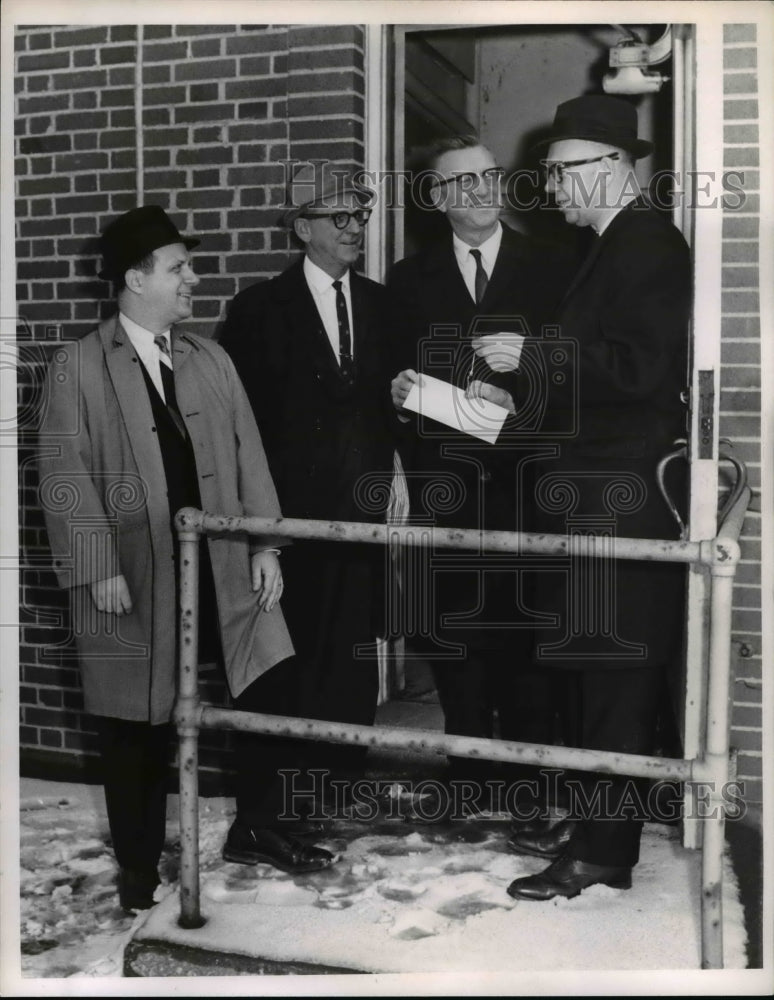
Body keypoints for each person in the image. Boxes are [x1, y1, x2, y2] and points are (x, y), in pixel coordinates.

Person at [38, 206, 335, 913]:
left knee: (268, 683)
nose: (192, 280)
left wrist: (265, 542)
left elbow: (248, 455)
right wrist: (97, 565)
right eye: (178, 268)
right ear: (136, 280)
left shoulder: (209, 358)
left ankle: (259, 828)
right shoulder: (77, 364)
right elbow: (62, 470)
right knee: (132, 725)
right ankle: (139, 872)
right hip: (128, 576)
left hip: (221, 564)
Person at [506, 95, 692, 900]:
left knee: (612, 676)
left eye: (561, 172)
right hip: (595, 496)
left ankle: (604, 853)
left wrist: (535, 354)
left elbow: (641, 374)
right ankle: (595, 824)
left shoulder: (647, 241)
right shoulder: (614, 246)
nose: (551, 188)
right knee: (589, 670)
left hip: (616, 501)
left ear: (613, 167)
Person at [388, 135, 570, 815]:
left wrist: (521, 401)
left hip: (531, 495)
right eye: (462, 182)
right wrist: (404, 394)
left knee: (529, 649)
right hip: (451, 497)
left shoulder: (556, 266)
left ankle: (527, 793)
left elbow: (579, 381)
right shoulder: (407, 282)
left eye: (490, 175)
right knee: (456, 644)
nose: (483, 189)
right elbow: (401, 390)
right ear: (436, 198)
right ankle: (465, 788)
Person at [219, 164, 396, 809]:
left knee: (352, 652)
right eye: (339, 218)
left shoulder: (383, 304)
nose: (355, 229)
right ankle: (282, 802)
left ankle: (343, 786)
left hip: (362, 517)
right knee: (287, 658)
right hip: (287, 522)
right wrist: (257, 525)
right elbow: (238, 425)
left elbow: (391, 404)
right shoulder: (259, 309)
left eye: (361, 216)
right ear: (301, 229)